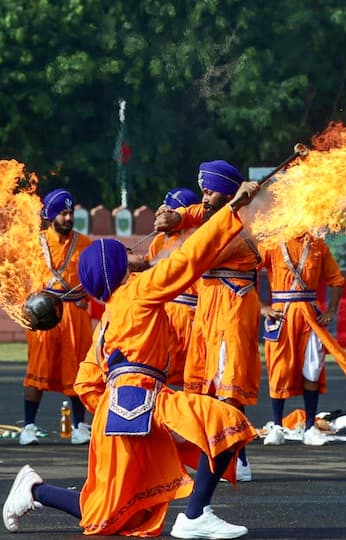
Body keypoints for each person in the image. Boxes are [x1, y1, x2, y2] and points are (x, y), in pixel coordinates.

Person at [2, 180, 260, 538]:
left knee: (113, 511)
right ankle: (194, 515)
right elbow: (188, 260)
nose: (132, 256)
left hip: (120, 411)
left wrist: (109, 414)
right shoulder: (139, 291)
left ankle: (35, 491)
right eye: (124, 255)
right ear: (119, 268)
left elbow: (85, 383)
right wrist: (231, 210)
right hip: (145, 400)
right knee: (224, 424)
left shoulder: (107, 318)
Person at [154, 161, 262, 481]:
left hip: (233, 305)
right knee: (201, 385)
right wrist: (177, 216)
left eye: (210, 190)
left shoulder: (244, 222)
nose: (204, 196)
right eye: (202, 189)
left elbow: (204, 249)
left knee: (229, 387)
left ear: (228, 192)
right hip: (208, 306)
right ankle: (204, 452)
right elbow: (199, 215)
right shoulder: (214, 214)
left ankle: (237, 457)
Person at [259, 233, 346, 446]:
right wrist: (262, 307)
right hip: (282, 316)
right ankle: (277, 426)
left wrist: (332, 310)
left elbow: (336, 279)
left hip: (310, 317)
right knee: (279, 371)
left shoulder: (318, 245)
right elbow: (248, 273)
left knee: (313, 369)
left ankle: (309, 427)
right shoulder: (271, 242)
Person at [21, 188, 92, 446]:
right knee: (36, 369)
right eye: (63, 213)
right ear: (52, 216)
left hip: (75, 313)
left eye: (71, 213)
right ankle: (28, 426)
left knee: (76, 368)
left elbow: (95, 277)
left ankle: (79, 426)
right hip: (43, 314)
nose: (68, 217)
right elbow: (21, 278)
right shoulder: (34, 243)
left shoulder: (86, 244)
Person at [146, 187, 201, 386]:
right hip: (166, 316)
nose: (163, 216)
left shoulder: (198, 239)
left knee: (195, 377)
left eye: (169, 212)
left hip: (194, 316)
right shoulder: (158, 241)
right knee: (160, 374)